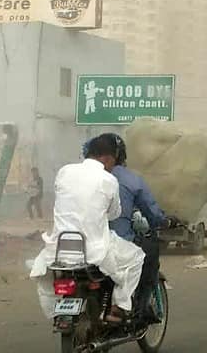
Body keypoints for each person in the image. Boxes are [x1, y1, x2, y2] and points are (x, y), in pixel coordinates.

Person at [30, 134, 145, 323]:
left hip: (59, 248)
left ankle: (62, 311)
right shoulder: (108, 180)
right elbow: (114, 214)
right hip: (94, 249)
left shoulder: (64, 171)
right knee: (136, 258)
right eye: (114, 162)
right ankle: (119, 307)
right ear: (108, 158)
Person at [83, 134, 176, 319]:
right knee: (148, 253)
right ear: (116, 155)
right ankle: (139, 307)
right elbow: (151, 212)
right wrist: (166, 221)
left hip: (77, 243)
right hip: (114, 242)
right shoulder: (126, 179)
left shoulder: (76, 175)